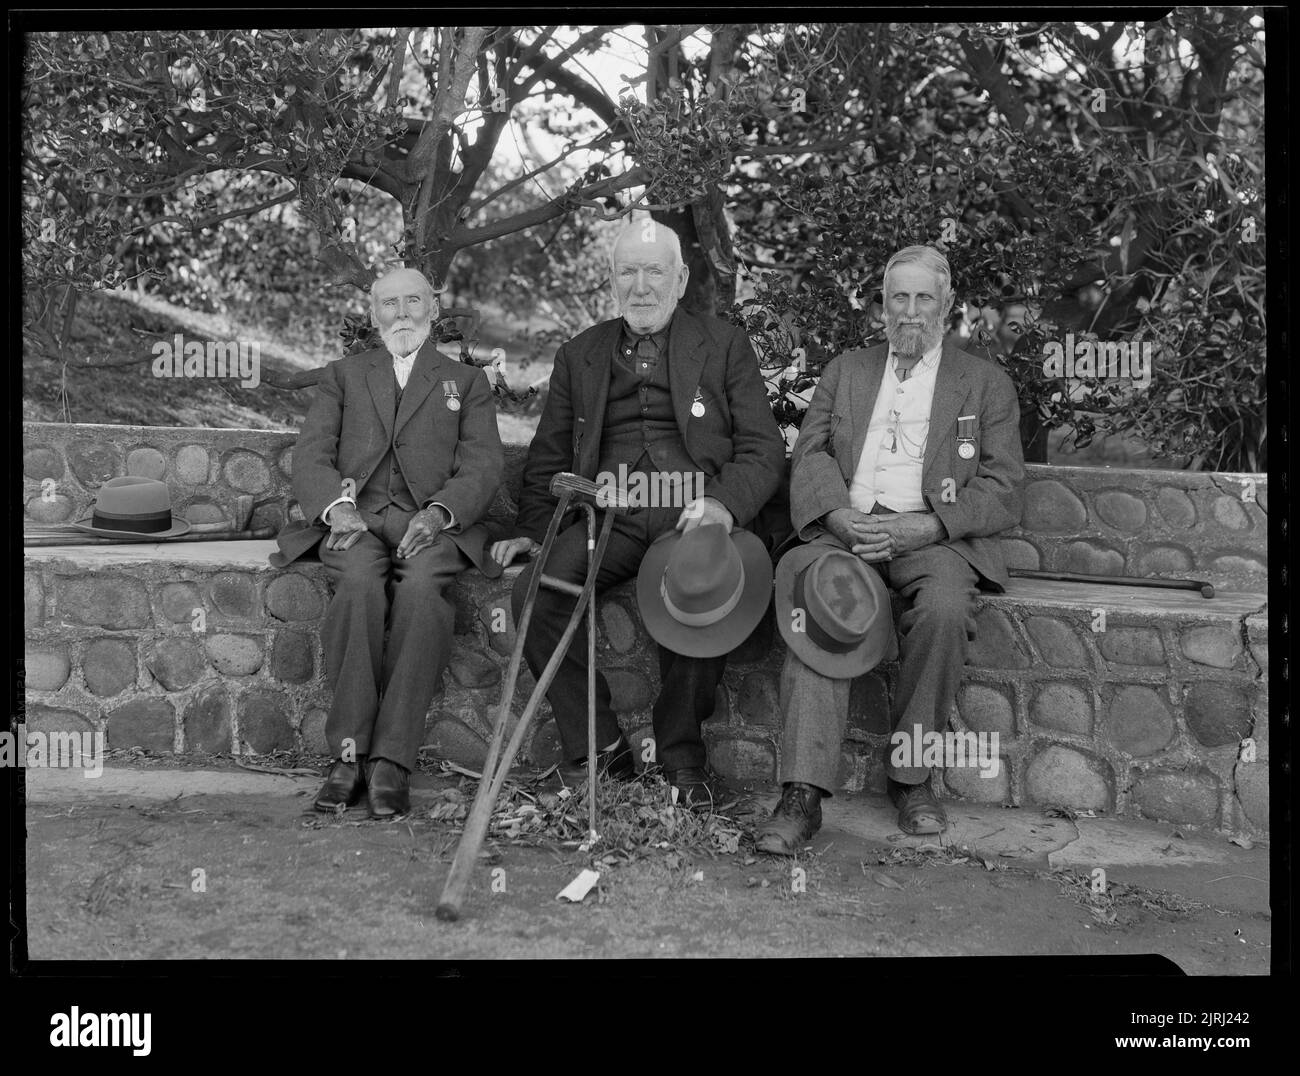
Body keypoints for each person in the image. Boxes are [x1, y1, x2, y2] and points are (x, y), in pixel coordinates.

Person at [491, 219, 785, 807]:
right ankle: (601, 751)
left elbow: (762, 446)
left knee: (707, 596)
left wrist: (723, 506)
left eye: (655, 272)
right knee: (535, 596)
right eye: (629, 271)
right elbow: (549, 454)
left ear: (680, 281)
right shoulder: (581, 354)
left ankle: (680, 755)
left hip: (693, 513)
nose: (642, 285)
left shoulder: (723, 344)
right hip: (610, 516)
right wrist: (529, 531)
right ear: (612, 280)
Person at [754, 245, 1025, 852]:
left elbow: (1004, 485)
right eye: (897, 297)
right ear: (882, 305)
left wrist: (930, 525)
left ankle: (911, 777)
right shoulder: (846, 370)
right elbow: (811, 452)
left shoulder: (984, 384)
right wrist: (838, 514)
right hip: (846, 531)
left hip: (933, 539)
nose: (910, 311)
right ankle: (802, 793)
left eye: (923, 297)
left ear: (947, 305)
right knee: (822, 607)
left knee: (947, 611)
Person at [272, 267, 504, 818]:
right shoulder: (344, 375)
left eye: (413, 302)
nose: (402, 314)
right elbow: (312, 454)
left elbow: (483, 464)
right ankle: (348, 756)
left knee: (424, 595)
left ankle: (392, 761)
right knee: (356, 586)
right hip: (356, 521)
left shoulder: (466, 382)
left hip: (430, 524)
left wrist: (439, 512)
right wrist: (338, 506)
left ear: (433, 306)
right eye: (389, 304)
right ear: (374, 314)